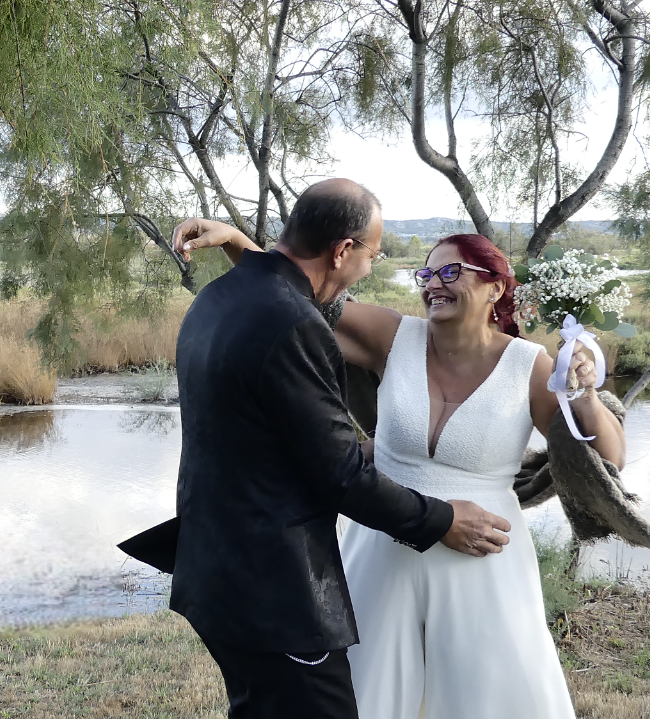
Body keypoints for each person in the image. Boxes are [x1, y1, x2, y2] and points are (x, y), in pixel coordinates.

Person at [179, 224, 626, 718]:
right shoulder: (394, 337)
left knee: (486, 695)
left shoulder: (531, 366)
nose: (433, 284)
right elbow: (295, 295)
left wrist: (584, 393)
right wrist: (239, 244)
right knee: (365, 691)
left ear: (496, 287)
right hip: (382, 547)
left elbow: (608, 460)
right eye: (426, 274)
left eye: (451, 272)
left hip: (482, 554)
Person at [168, 179, 512, 719]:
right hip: (274, 590)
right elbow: (342, 478)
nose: (369, 268)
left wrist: (238, 241)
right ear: (342, 250)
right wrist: (444, 520)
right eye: (373, 255)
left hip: (213, 570)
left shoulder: (218, 298)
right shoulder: (294, 325)